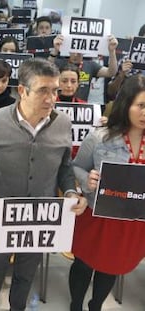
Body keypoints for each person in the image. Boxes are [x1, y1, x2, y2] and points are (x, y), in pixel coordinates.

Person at [0, 58, 87, 311]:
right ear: (22, 90)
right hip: (1, 216)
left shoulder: (63, 123)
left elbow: (65, 166)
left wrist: (70, 191)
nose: (51, 98)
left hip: (40, 218)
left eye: (54, 91)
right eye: (43, 90)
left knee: (25, 275)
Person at [69, 74, 145, 311]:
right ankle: (76, 305)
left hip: (133, 220)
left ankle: (96, 306)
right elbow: (76, 166)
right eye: (141, 106)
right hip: (97, 214)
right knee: (83, 264)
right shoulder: (99, 137)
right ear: (126, 105)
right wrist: (86, 179)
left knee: (113, 265)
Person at [49, 34, 118, 101]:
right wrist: (55, 50)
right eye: (73, 50)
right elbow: (46, 70)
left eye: (79, 52)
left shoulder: (91, 65)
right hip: (59, 104)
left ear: (84, 51)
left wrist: (112, 51)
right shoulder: (59, 63)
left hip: (82, 108)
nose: (75, 54)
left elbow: (111, 72)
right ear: (68, 50)